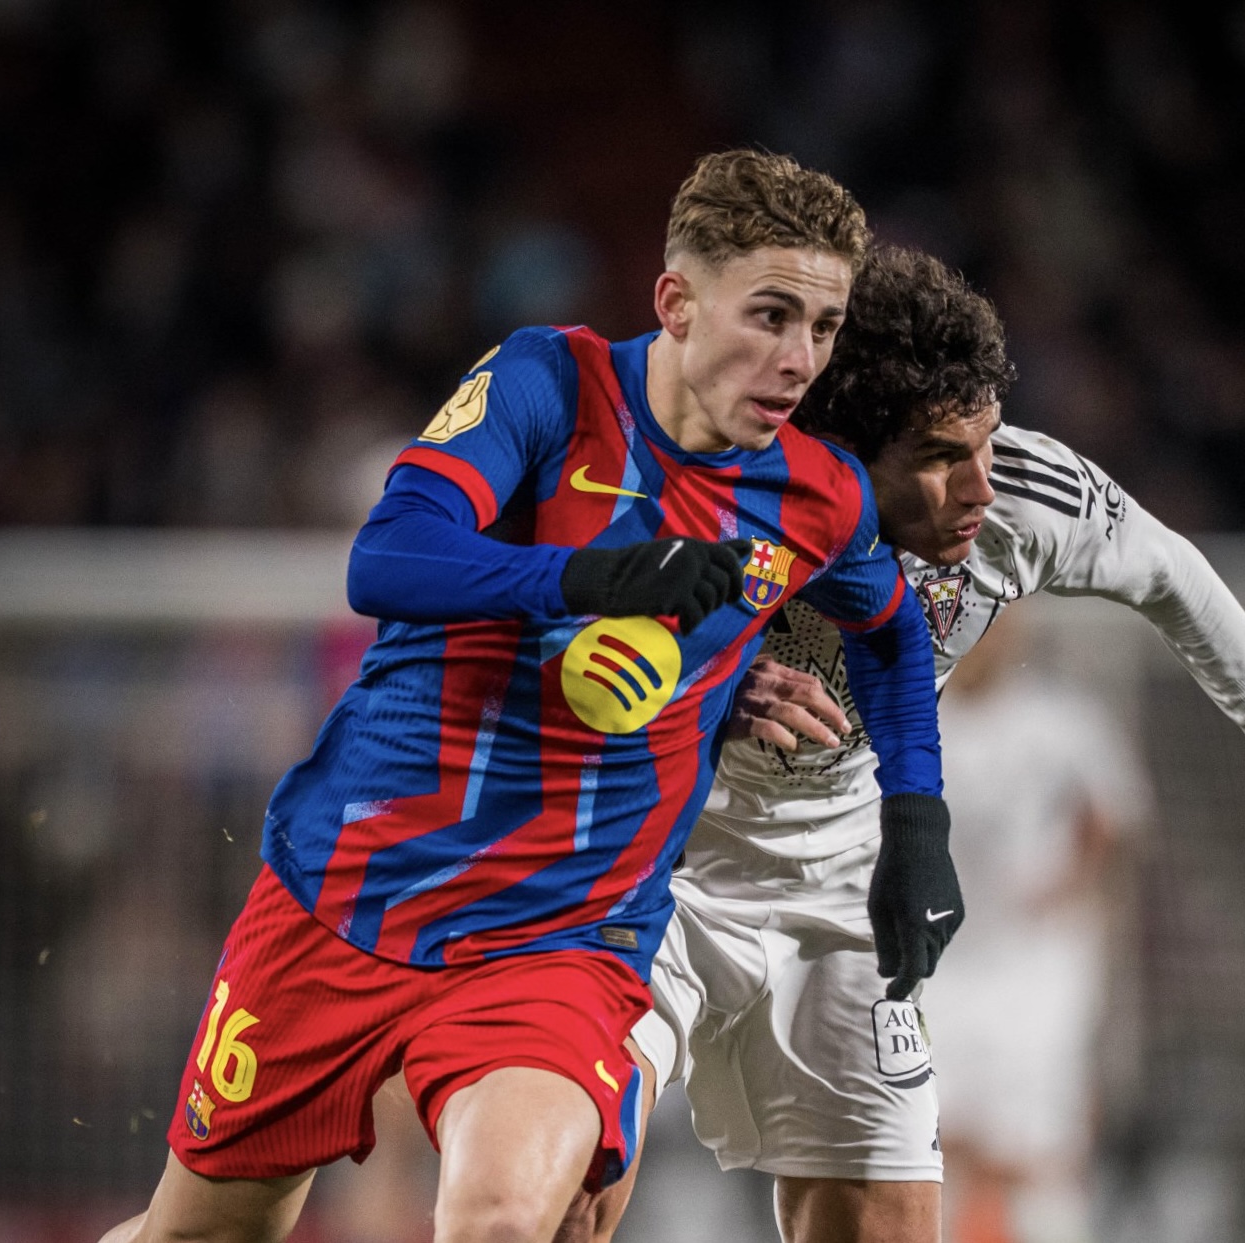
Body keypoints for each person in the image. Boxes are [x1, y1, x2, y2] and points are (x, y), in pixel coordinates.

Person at [98, 153, 966, 1243]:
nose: (798, 360)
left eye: (823, 327)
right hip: (347, 892)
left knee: (510, 1218)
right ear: (676, 303)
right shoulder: (548, 384)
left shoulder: (815, 493)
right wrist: (588, 578)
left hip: (560, 937)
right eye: (770, 315)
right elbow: (387, 558)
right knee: (199, 1233)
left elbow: (889, 629)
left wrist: (915, 818)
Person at [559, 245, 1245, 1243]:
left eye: (983, 439)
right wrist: (706, 683)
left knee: (887, 1221)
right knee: (569, 1182)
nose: (978, 484)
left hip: (846, 882)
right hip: (664, 865)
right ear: (838, 449)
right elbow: (541, 640)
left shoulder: (1022, 492)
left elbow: (1171, 575)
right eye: (937, 457)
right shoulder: (701, 472)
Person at [929, 609, 1150, 1243]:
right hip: (940, 961)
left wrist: (1070, 885)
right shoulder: (915, 721)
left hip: (1035, 964)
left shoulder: (1061, 720)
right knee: (929, 1142)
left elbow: (1112, 818)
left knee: (1040, 1149)